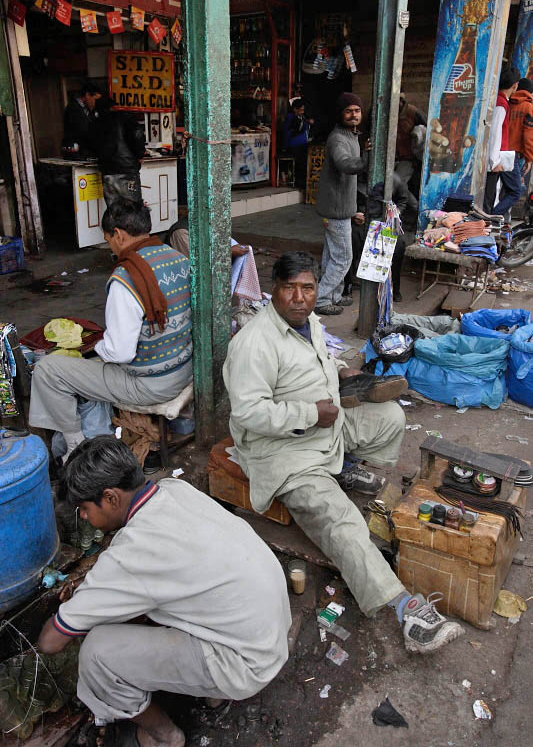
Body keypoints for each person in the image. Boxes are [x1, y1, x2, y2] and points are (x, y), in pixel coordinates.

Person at [223, 251, 464, 654]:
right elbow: (248, 413)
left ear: (317, 290)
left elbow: (320, 357)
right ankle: (405, 610)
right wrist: (308, 412)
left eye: (307, 288)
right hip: (285, 454)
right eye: (289, 288)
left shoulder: (309, 323)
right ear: (275, 291)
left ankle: (344, 466)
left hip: (324, 429)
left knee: (390, 417)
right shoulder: (253, 343)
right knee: (344, 521)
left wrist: (340, 371)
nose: (299, 298)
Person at [37, 436, 291, 747]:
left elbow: (52, 642)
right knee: (158, 606)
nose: (86, 518)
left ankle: (164, 736)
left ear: (111, 497)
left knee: (97, 653)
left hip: (246, 662)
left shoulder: (133, 552)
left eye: (84, 509)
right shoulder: (173, 489)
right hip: (270, 630)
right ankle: (212, 693)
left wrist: (62, 617)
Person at [29, 200, 193, 462]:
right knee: (93, 362)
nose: (111, 247)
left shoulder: (124, 279)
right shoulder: (177, 257)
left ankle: (75, 446)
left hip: (150, 385)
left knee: (48, 369)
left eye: (108, 240)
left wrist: (99, 347)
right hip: (184, 369)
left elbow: (120, 352)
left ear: (118, 234)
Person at [315, 92, 370, 316]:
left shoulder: (351, 136)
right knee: (343, 257)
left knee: (332, 256)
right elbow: (345, 164)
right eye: (348, 111)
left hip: (340, 208)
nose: (353, 115)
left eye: (356, 111)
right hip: (336, 210)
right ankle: (320, 299)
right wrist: (365, 159)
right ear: (340, 114)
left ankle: (333, 296)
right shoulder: (338, 138)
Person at [344, 173, 419, 303]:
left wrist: (393, 215)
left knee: (398, 245)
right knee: (351, 239)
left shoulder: (395, 180)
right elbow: (345, 204)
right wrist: (354, 214)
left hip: (386, 222)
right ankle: (348, 286)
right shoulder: (353, 179)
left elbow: (404, 201)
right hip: (362, 223)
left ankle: (395, 289)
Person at [90, 96, 146, 208]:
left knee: (114, 212)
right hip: (126, 170)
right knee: (132, 211)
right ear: (113, 107)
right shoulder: (124, 117)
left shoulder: (96, 123)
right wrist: (139, 154)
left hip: (107, 172)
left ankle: (115, 226)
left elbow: (91, 144)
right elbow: (138, 133)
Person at [484, 66, 521, 221]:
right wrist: (495, 161)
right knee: (489, 196)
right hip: (496, 158)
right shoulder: (501, 104)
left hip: (498, 156)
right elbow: (495, 134)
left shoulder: (500, 101)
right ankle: (489, 220)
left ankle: (489, 219)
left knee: (492, 194)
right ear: (514, 86)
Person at [395, 92, 427, 194]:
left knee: (399, 183)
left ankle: (413, 207)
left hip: (409, 158)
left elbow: (427, 131)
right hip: (391, 157)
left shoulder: (413, 113)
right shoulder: (380, 111)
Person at [62, 80, 102, 159]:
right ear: (87, 95)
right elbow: (84, 130)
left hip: (85, 153)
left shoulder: (89, 110)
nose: (96, 103)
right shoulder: (73, 108)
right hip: (76, 154)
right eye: (96, 100)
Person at [283, 98, 313, 187]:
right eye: (300, 110)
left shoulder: (302, 117)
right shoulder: (290, 117)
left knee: (304, 162)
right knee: (299, 163)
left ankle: (303, 181)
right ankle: (299, 182)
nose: (302, 112)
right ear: (295, 109)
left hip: (303, 143)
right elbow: (293, 130)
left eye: (303, 110)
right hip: (294, 144)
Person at [507, 77, 533, 179]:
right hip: (514, 154)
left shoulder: (508, 102)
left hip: (500, 150)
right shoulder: (528, 107)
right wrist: (529, 158)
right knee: (515, 191)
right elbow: (529, 135)